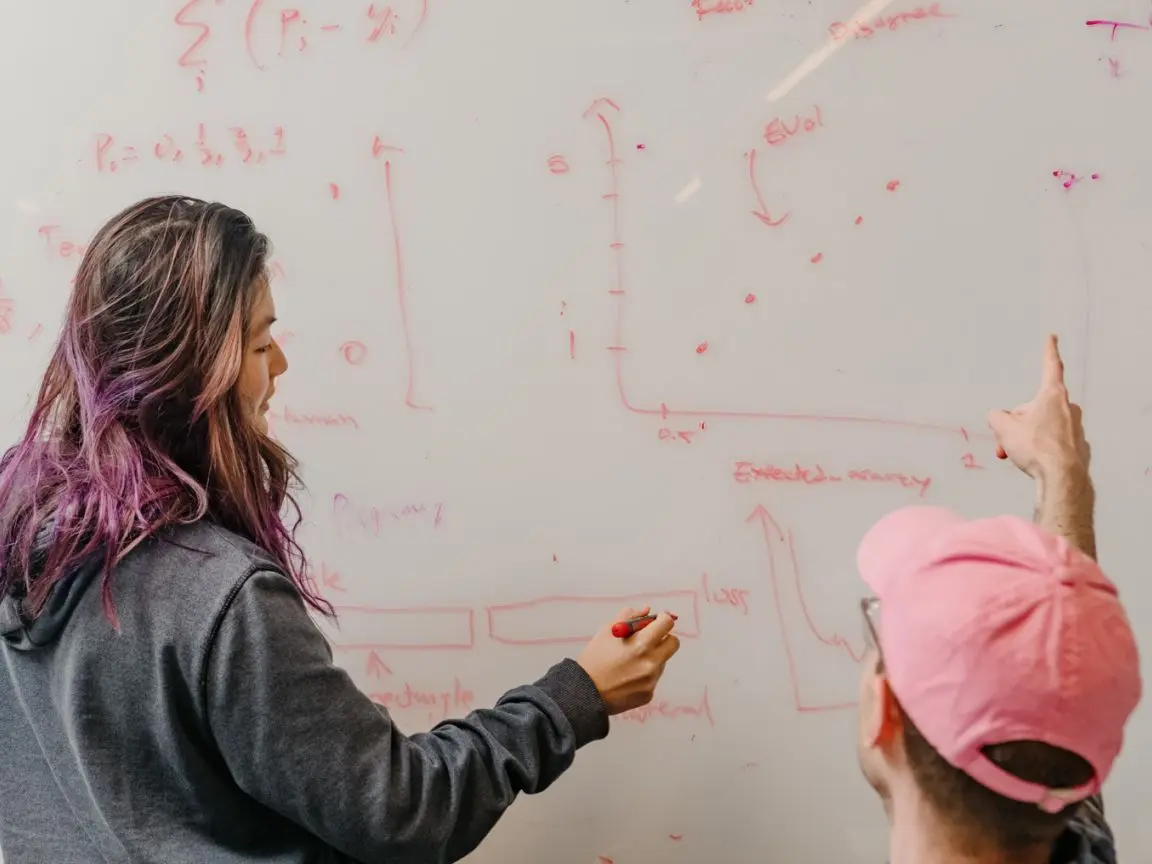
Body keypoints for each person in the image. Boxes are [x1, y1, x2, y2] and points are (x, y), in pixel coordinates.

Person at [0, 196, 682, 863]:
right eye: (263, 342)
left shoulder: (17, 540)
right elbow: (399, 813)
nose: (282, 367)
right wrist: (577, 696)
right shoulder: (217, 597)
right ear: (192, 369)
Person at [853, 334, 1141, 864]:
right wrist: (1061, 471)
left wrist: (1063, 472)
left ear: (882, 715)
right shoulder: (1078, 841)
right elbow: (1057, 669)